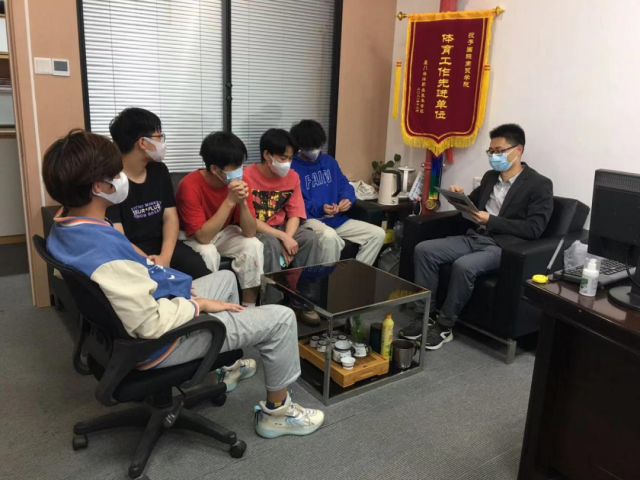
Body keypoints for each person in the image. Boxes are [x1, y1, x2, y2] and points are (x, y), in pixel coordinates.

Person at [42, 129, 324, 438]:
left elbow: (128, 279)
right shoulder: (104, 253)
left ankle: (227, 366)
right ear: (99, 186)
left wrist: (165, 280)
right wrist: (196, 305)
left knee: (226, 278)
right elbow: (149, 324)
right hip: (156, 344)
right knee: (282, 319)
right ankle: (277, 414)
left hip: (127, 326)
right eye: (116, 173)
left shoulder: (67, 224)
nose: (122, 178)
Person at [403, 124, 554, 350]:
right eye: (491, 151)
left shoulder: (539, 184)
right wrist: (459, 197)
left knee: (464, 266)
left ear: (518, 150)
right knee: (424, 250)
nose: (494, 156)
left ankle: (444, 325)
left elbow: (534, 228)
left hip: (503, 246)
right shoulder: (490, 177)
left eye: (499, 151)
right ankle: (424, 315)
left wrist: (491, 220)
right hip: (475, 236)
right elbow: (473, 206)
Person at [106, 108, 210, 279]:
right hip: (130, 251)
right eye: (159, 137)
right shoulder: (111, 180)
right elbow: (118, 236)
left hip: (162, 245)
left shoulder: (159, 170)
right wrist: (150, 263)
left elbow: (170, 217)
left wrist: (165, 257)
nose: (162, 142)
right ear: (143, 142)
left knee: (196, 267)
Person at [244, 128, 322, 326]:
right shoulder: (246, 176)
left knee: (310, 239)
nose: (287, 163)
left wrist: (288, 237)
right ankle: (273, 308)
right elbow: (248, 220)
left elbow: (295, 213)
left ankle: (303, 302)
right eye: (282, 158)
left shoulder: (293, 177)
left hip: (283, 227)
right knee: (270, 244)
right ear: (267, 155)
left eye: (290, 158)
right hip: (257, 230)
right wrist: (281, 238)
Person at [175, 132, 263, 307]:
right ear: (215, 169)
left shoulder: (242, 180)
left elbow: (250, 232)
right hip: (191, 237)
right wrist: (230, 201)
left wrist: (242, 203)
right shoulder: (189, 185)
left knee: (253, 244)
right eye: (234, 167)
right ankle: (215, 309)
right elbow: (203, 237)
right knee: (208, 251)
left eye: (241, 165)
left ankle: (248, 308)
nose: (240, 171)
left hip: (222, 232)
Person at [290, 120, 385, 265]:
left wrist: (346, 199)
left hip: (336, 219)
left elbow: (345, 185)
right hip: (310, 220)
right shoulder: (292, 167)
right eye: (310, 147)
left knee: (378, 234)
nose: (314, 150)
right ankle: (326, 278)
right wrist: (321, 208)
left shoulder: (329, 162)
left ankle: (354, 275)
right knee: (330, 236)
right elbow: (295, 203)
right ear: (300, 146)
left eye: (317, 145)